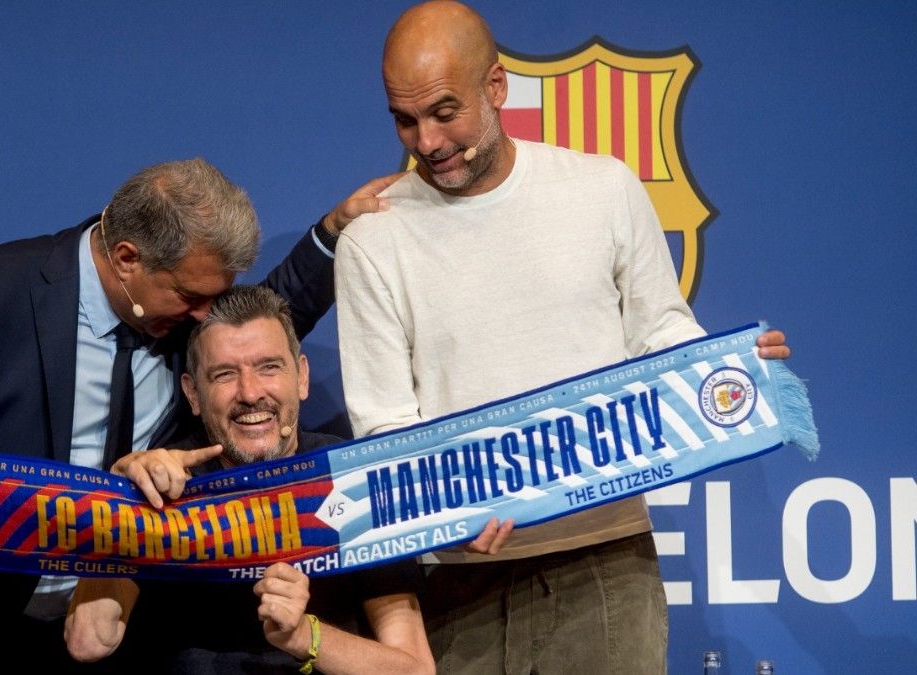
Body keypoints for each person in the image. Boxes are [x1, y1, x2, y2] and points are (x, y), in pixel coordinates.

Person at [332, 3, 791, 673]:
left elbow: (660, 332)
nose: (427, 141)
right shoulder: (372, 240)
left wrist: (724, 370)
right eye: (406, 119)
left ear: (496, 88)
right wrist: (452, 514)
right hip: (463, 576)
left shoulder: (602, 189)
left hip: (607, 559)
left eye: (444, 112)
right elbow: (384, 427)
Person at [0, 158, 397, 674]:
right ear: (127, 259)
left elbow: (251, 336)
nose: (202, 315)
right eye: (191, 298)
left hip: (103, 637)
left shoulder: (176, 313)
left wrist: (329, 235)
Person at [64, 285, 435, 675]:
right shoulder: (162, 486)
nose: (250, 392)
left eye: (268, 367)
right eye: (225, 374)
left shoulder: (355, 479)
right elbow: (89, 642)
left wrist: (304, 637)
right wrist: (118, 505)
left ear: (302, 377)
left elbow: (414, 668)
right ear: (193, 394)